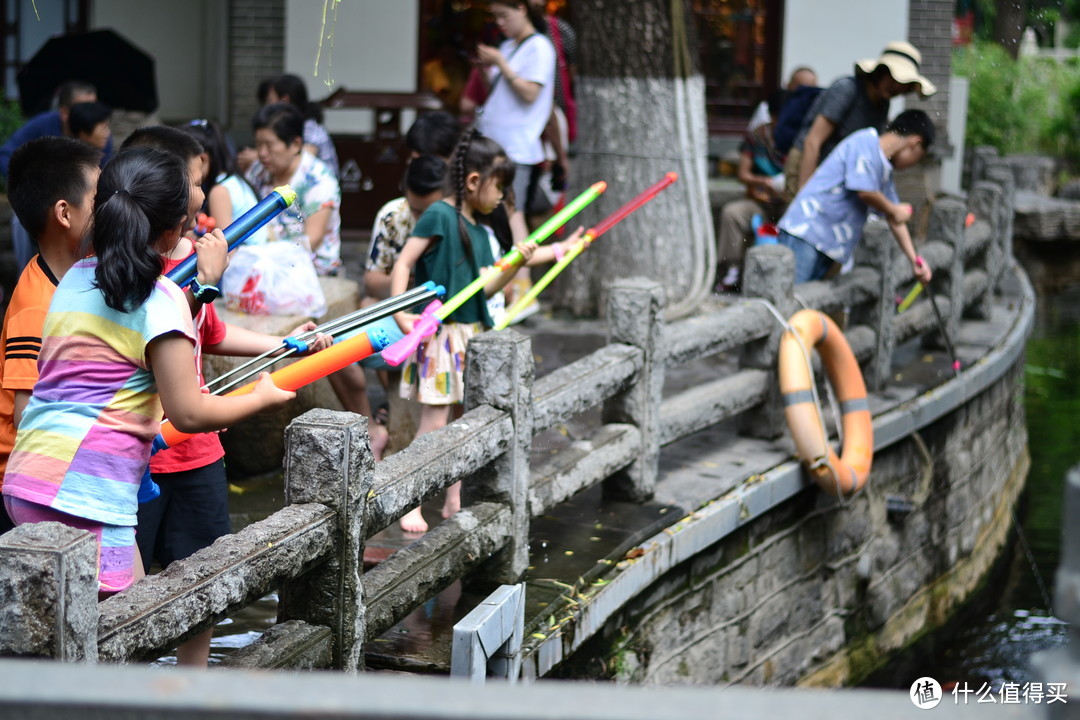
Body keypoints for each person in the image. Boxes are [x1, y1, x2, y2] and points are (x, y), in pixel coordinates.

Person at [2, 147, 296, 597]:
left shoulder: (75, 279)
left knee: (84, 623)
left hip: (27, 483)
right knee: (120, 634)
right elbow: (189, 413)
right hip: (88, 495)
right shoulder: (163, 301)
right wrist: (261, 397)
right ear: (178, 228)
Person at [121, 125, 330, 665]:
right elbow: (157, 335)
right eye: (194, 181)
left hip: (198, 453)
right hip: (137, 455)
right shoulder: (121, 269)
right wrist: (206, 283)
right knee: (123, 594)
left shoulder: (192, 253)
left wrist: (286, 344)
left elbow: (207, 332)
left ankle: (192, 688)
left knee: (208, 577)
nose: (201, 195)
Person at [389, 130, 536, 534]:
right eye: (499, 187)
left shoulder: (480, 229)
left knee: (460, 422)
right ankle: (409, 501)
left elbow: (485, 288)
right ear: (473, 181)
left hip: (469, 334)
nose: (502, 197)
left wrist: (515, 266)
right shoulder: (439, 215)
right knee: (434, 422)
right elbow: (404, 264)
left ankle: (453, 499)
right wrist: (403, 313)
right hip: (440, 333)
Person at [0, 138, 101, 535]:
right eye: (99, 197)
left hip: (54, 473)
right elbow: (27, 414)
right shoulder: (36, 305)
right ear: (64, 213)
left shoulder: (75, 276)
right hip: (24, 484)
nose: (110, 208)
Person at [777, 109, 936, 286]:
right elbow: (865, 192)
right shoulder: (865, 142)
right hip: (806, 233)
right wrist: (894, 209)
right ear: (915, 143)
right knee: (791, 300)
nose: (910, 166)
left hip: (827, 246)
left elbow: (895, 218)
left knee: (806, 303)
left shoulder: (884, 171)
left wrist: (915, 261)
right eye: (918, 158)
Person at [783, 42, 936, 202]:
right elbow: (812, 141)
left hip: (832, 173)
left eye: (903, 85)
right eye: (892, 80)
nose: (896, 88)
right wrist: (804, 195)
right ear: (880, 72)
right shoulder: (847, 89)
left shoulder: (883, 105)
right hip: (806, 163)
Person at [0, 81, 112, 271]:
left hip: (79, 203)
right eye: (84, 107)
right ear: (65, 112)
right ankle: (27, 271)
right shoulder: (43, 126)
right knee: (20, 221)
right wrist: (26, 185)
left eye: (93, 106)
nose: (91, 112)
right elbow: (6, 154)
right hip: (43, 199)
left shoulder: (100, 137)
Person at [472, 0, 556, 228]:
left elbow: (530, 93)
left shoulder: (539, 47)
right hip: (493, 143)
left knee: (511, 212)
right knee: (490, 211)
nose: (500, 23)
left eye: (504, 16)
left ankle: (522, 263)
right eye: (496, 17)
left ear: (521, 9)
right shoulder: (508, 46)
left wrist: (500, 62)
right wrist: (482, 67)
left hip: (517, 148)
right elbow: (497, 92)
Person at [246, 102, 342, 276]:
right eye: (258, 145)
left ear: (296, 144)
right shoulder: (257, 171)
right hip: (263, 266)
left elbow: (312, 240)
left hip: (312, 272)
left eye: (269, 145)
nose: (261, 153)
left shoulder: (318, 179)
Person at [716, 90, 788, 292]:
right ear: (773, 115)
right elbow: (743, 173)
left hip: (788, 204)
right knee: (732, 213)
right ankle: (732, 270)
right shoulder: (757, 136)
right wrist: (765, 183)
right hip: (759, 201)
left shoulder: (800, 137)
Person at [179, 118, 266, 244]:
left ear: (202, 159)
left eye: (182, 162)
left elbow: (227, 248)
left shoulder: (220, 192)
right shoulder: (233, 179)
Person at [747, 67, 817, 133]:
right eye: (801, 87)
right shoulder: (774, 104)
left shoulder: (817, 109)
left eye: (811, 88)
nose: (806, 94)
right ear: (789, 85)